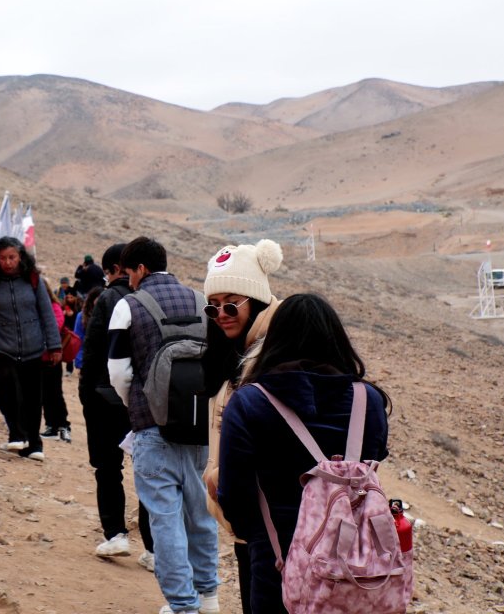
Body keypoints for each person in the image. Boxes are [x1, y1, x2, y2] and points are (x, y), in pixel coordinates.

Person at [218, 293, 391, 614]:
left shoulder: (248, 403)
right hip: (356, 569)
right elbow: (374, 461)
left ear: (274, 341)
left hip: (277, 567)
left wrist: (256, 535)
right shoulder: (370, 401)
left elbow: (233, 496)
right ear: (337, 340)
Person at [108, 237, 222, 614]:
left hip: (153, 430)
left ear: (140, 269)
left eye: (129, 275)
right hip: (198, 426)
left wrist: (138, 406)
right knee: (201, 514)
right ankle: (208, 597)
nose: (129, 282)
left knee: (165, 520)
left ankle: (182, 605)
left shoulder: (128, 306)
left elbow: (118, 373)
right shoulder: (200, 301)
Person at [201, 239, 284, 614]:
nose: (222, 314)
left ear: (257, 299)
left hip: (274, 517)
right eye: (213, 306)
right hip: (245, 512)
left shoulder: (274, 354)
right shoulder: (233, 351)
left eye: (232, 303)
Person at [78, 244, 155, 569]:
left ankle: (116, 535)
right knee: (149, 472)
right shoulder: (151, 301)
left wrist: (85, 394)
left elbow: (94, 353)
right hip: (147, 401)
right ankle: (153, 549)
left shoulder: (108, 299)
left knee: (107, 469)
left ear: (112, 269)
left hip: (105, 398)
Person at [0, 236, 62, 461]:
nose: (8, 262)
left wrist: (54, 345)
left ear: (20, 257)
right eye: (3, 258)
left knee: (32, 398)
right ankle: (16, 432)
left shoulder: (33, 280)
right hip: (0, 348)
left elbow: (47, 313)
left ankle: (34, 444)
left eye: (12, 257)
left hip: (33, 348)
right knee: (6, 392)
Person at [41, 286, 72, 443]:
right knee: (46, 394)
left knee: (54, 393)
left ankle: (62, 425)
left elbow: (54, 328)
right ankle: (52, 425)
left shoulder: (54, 308)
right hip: (41, 358)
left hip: (51, 358)